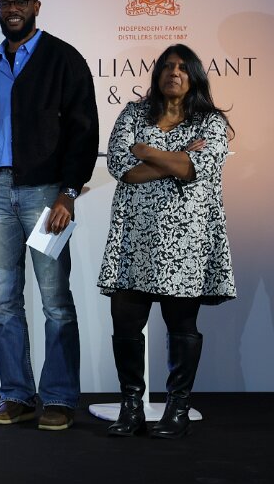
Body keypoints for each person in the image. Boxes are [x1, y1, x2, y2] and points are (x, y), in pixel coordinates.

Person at [0, 0, 99, 431]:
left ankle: (59, 398)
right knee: (4, 303)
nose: (12, 9)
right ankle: (17, 396)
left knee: (55, 301)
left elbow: (84, 131)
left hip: (46, 196)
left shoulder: (64, 59)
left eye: (20, 2)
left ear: (37, 5)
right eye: (4, 3)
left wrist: (68, 191)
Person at [98, 44, 235, 439]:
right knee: (125, 322)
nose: (174, 72)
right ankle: (131, 407)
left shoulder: (210, 121)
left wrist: (146, 151)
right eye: (167, 66)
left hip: (187, 242)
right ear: (157, 74)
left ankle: (177, 408)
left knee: (182, 324)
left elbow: (197, 168)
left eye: (182, 67)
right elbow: (122, 168)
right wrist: (175, 158)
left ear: (194, 76)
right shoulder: (133, 113)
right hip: (133, 237)